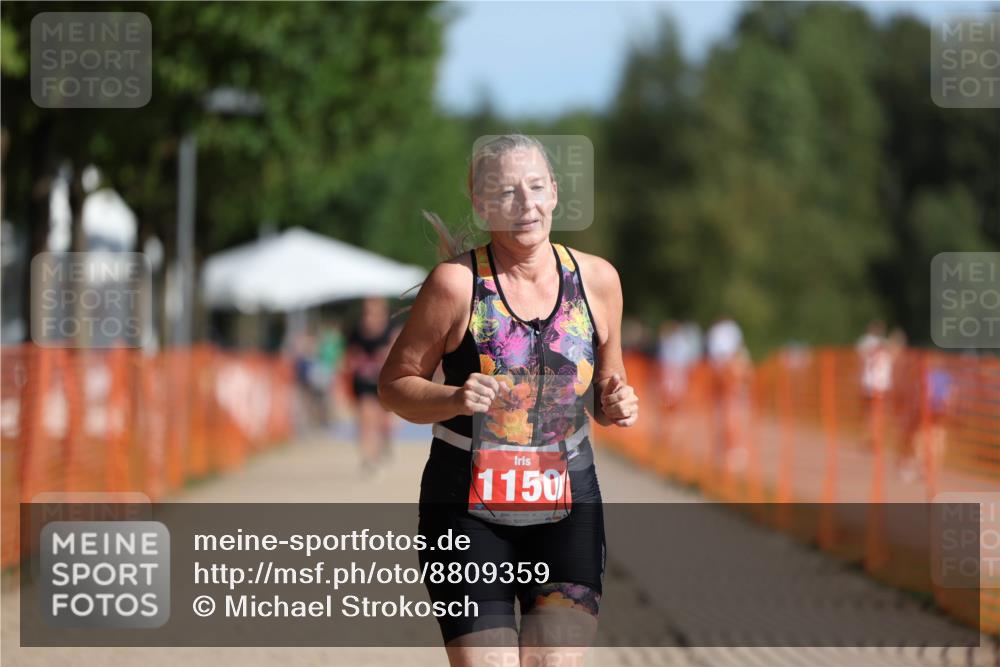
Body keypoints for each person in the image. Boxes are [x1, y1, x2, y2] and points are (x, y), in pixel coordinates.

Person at [378, 134, 638, 666]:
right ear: (481, 204)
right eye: (506, 193)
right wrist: (453, 396)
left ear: (555, 193)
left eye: (536, 187)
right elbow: (395, 384)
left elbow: (608, 392)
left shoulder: (598, 281)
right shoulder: (455, 286)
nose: (525, 205)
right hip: (467, 510)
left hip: (568, 504)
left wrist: (617, 404)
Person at [346, 297, 396, 473]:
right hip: (363, 383)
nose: (370, 316)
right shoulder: (356, 332)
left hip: (384, 381)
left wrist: (385, 355)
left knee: (384, 421)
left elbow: (398, 354)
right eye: (367, 311)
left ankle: (384, 442)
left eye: (374, 311)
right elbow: (349, 358)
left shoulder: (390, 331)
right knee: (366, 420)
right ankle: (368, 458)